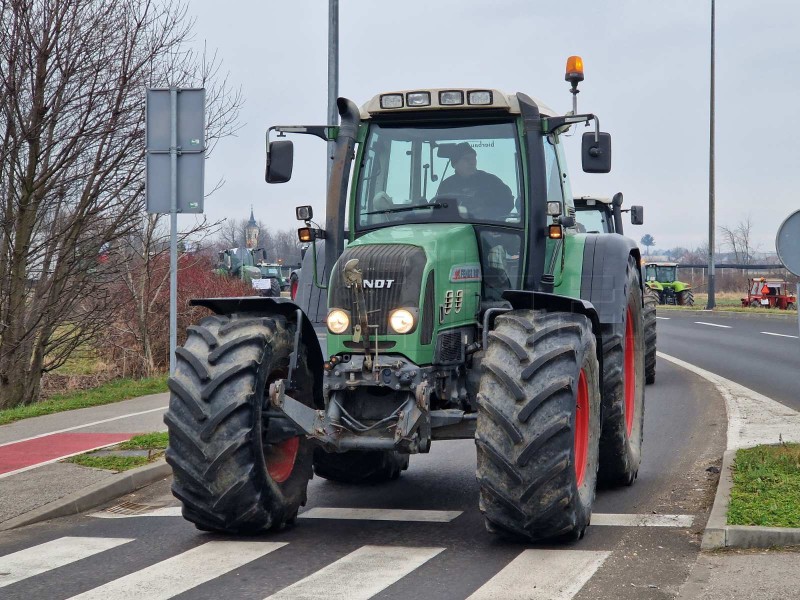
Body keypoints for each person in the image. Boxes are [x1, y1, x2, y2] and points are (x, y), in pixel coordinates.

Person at [436, 142, 514, 220]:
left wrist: (486, 213)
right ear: (455, 164)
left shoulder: (491, 181)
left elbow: (508, 203)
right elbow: (441, 212)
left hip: (486, 227)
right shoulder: (446, 186)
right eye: (467, 159)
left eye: (474, 158)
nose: (472, 162)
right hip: (456, 228)